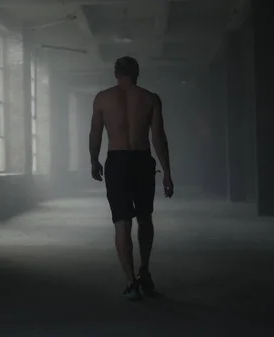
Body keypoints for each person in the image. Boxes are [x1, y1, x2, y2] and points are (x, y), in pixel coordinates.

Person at [89, 56, 173, 300]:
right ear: (137, 73)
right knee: (145, 218)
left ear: (115, 74)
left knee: (122, 223)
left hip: (117, 161)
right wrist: (167, 172)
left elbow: (95, 134)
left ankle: (130, 282)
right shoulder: (150, 98)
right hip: (141, 160)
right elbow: (159, 138)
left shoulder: (102, 98)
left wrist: (94, 161)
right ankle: (144, 271)